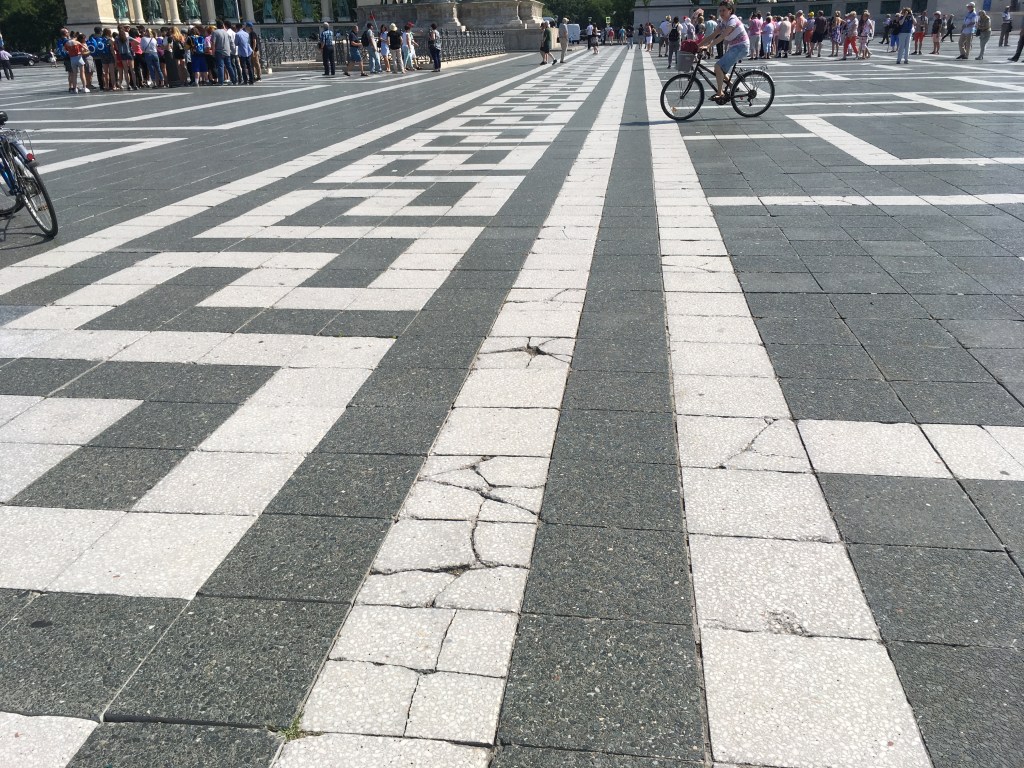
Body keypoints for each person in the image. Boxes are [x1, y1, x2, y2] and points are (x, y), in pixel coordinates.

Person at [699, 0, 749, 104]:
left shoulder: (732, 20)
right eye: (720, 10)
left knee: (718, 66)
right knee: (719, 69)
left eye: (724, 10)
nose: (721, 13)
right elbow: (712, 35)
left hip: (741, 47)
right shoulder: (723, 22)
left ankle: (720, 92)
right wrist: (697, 45)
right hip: (734, 47)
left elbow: (722, 36)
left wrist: (708, 46)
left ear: (730, 10)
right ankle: (732, 86)